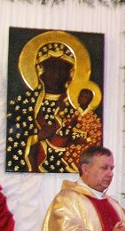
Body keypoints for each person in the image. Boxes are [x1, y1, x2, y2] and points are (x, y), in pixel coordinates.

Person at [7, 41, 83, 173]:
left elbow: (87, 139)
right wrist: (36, 137)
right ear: (40, 70)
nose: (57, 75)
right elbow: (12, 140)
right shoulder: (25, 104)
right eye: (52, 69)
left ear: (70, 72)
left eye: (62, 69)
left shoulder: (76, 105)